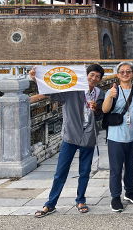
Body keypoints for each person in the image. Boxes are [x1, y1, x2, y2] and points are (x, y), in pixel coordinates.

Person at [31, 64, 105, 217]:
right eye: (92, 75)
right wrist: (36, 79)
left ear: (100, 79)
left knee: (85, 171)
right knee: (60, 172)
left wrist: (96, 108)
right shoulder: (72, 90)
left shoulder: (99, 93)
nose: (94, 78)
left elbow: (100, 115)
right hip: (71, 134)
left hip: (88, 135)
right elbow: (52, 93)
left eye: (97, 76)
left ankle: (81, 200)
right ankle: (50, 204)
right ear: (86, 75)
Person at [102, 62, 133, 212]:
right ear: (118, 74)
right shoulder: (113, 90)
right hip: (115, 137)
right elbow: (105, 110)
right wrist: (110, 97)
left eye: (128, 71)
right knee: (116, 169)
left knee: (131, 167)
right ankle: (115, 196)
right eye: (122, 72)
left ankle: (129, 192)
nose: (125, 74)